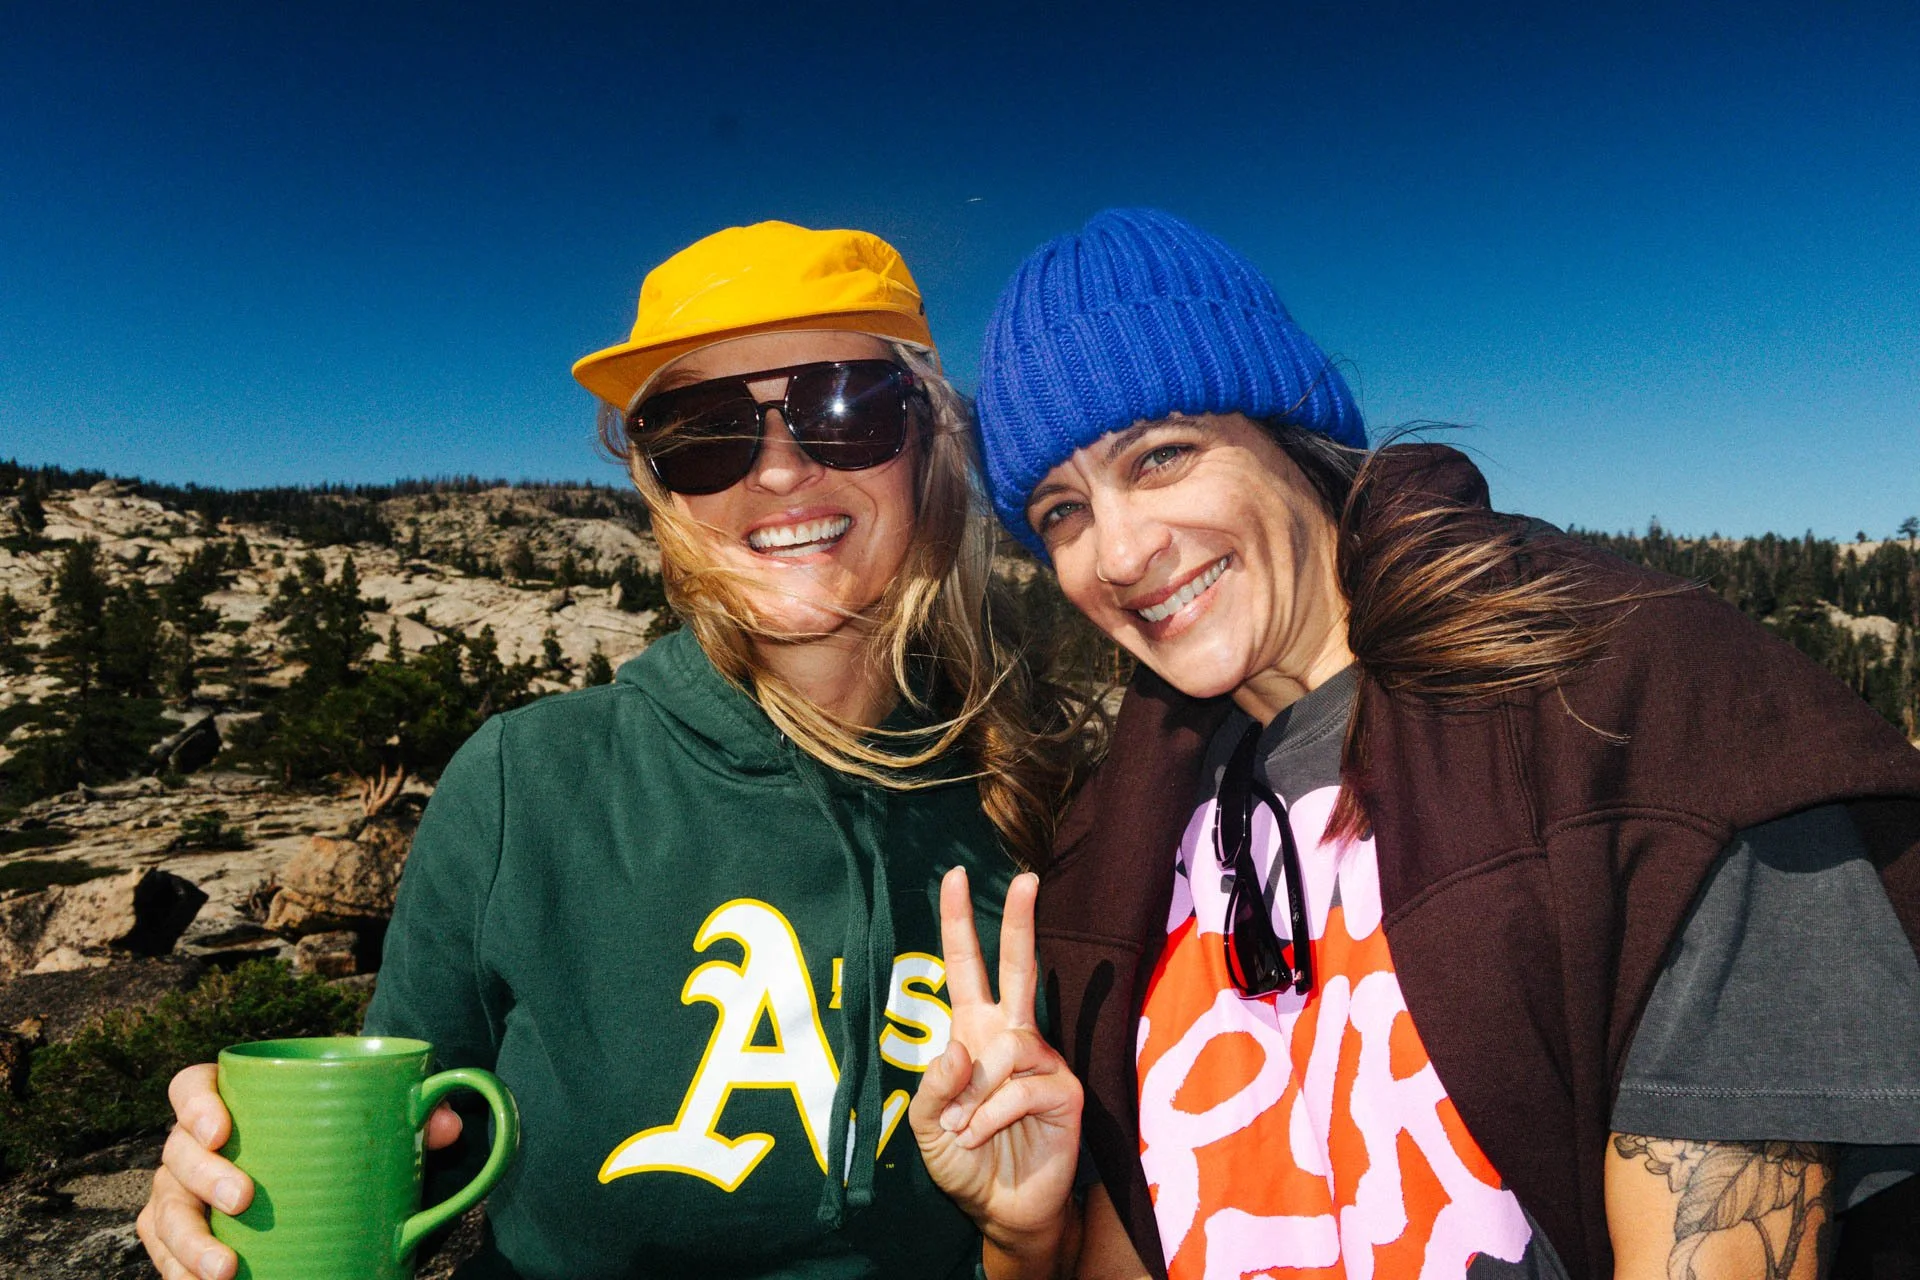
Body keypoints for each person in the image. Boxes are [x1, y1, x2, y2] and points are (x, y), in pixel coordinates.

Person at [960, 208, 1920, 1280]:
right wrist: (1023, 1236)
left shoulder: (1637, 714)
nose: (1122, 551)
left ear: (1290, 435)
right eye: (1060, 512)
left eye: (1161, 456)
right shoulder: (1122, 851)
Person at [138, 221, 1087, 1280]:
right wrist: (242, 1187)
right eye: (704, 431)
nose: (779, 470)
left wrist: (1025, 1235)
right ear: (661, 487)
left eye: (843, 406)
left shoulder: (1045, 786)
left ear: (929, 442)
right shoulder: (523, 785)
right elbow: (388, 1158)